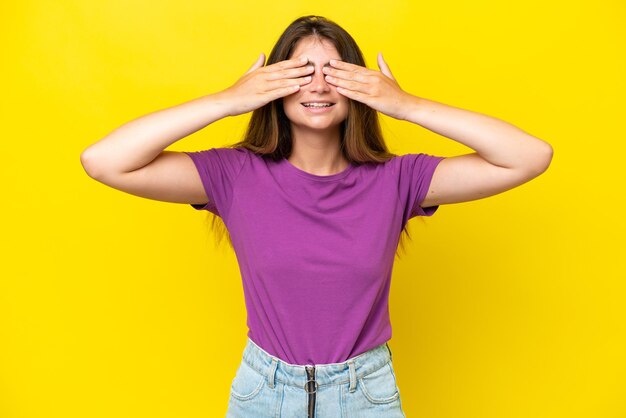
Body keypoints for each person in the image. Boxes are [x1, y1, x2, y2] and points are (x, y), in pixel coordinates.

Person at [80, 14, 553, 418]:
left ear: (360, 86)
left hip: (365, 394)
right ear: (273, 85)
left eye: (335, 71)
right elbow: (104, 161)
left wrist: (408, 106)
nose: (320, 85)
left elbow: (529, 156)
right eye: (302, 71)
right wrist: (228, 100)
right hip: (263, 392)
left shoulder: (397, 179)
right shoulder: (234, 174)